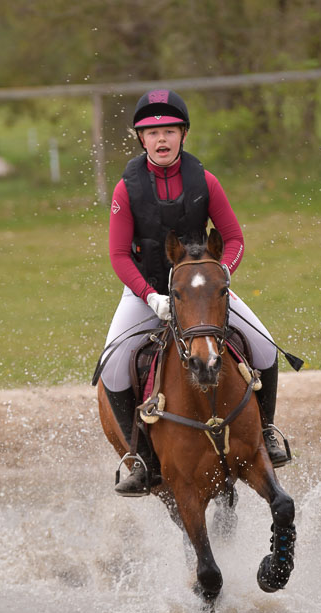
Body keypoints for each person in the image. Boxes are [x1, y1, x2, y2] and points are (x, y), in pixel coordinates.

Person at [101, 89, 289, 496]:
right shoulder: (125, 189)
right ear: (141, 139)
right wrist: (151, 297)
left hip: (203, 293)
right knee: (114, 365)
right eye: (152, 133)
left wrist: (220, 275)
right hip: (145, 293)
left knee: (265, 346)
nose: (161, 139)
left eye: (169, 130)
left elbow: (235, 239)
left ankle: (267, 432)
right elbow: (118, 255)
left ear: (183, 134)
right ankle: (140, 460)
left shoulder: (205, 181)